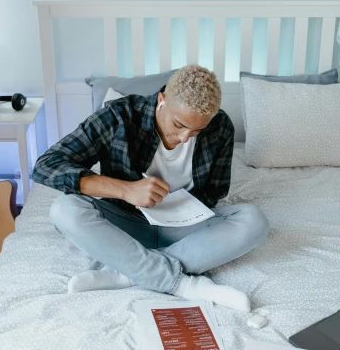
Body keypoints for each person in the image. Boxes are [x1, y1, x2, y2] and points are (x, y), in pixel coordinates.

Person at [32, 65, 269, 311]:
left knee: (254, 219)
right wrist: (126, 190)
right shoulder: (119, 116)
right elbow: (46, 166)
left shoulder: (220, 127)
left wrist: (182, 209)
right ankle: (184, 286)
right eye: (178, 124)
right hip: (124, 223)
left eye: (197, 130)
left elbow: (215, 191)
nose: (186, 137)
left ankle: (127, 273)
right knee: (64, 209)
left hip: (184, 229)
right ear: (162, 100)